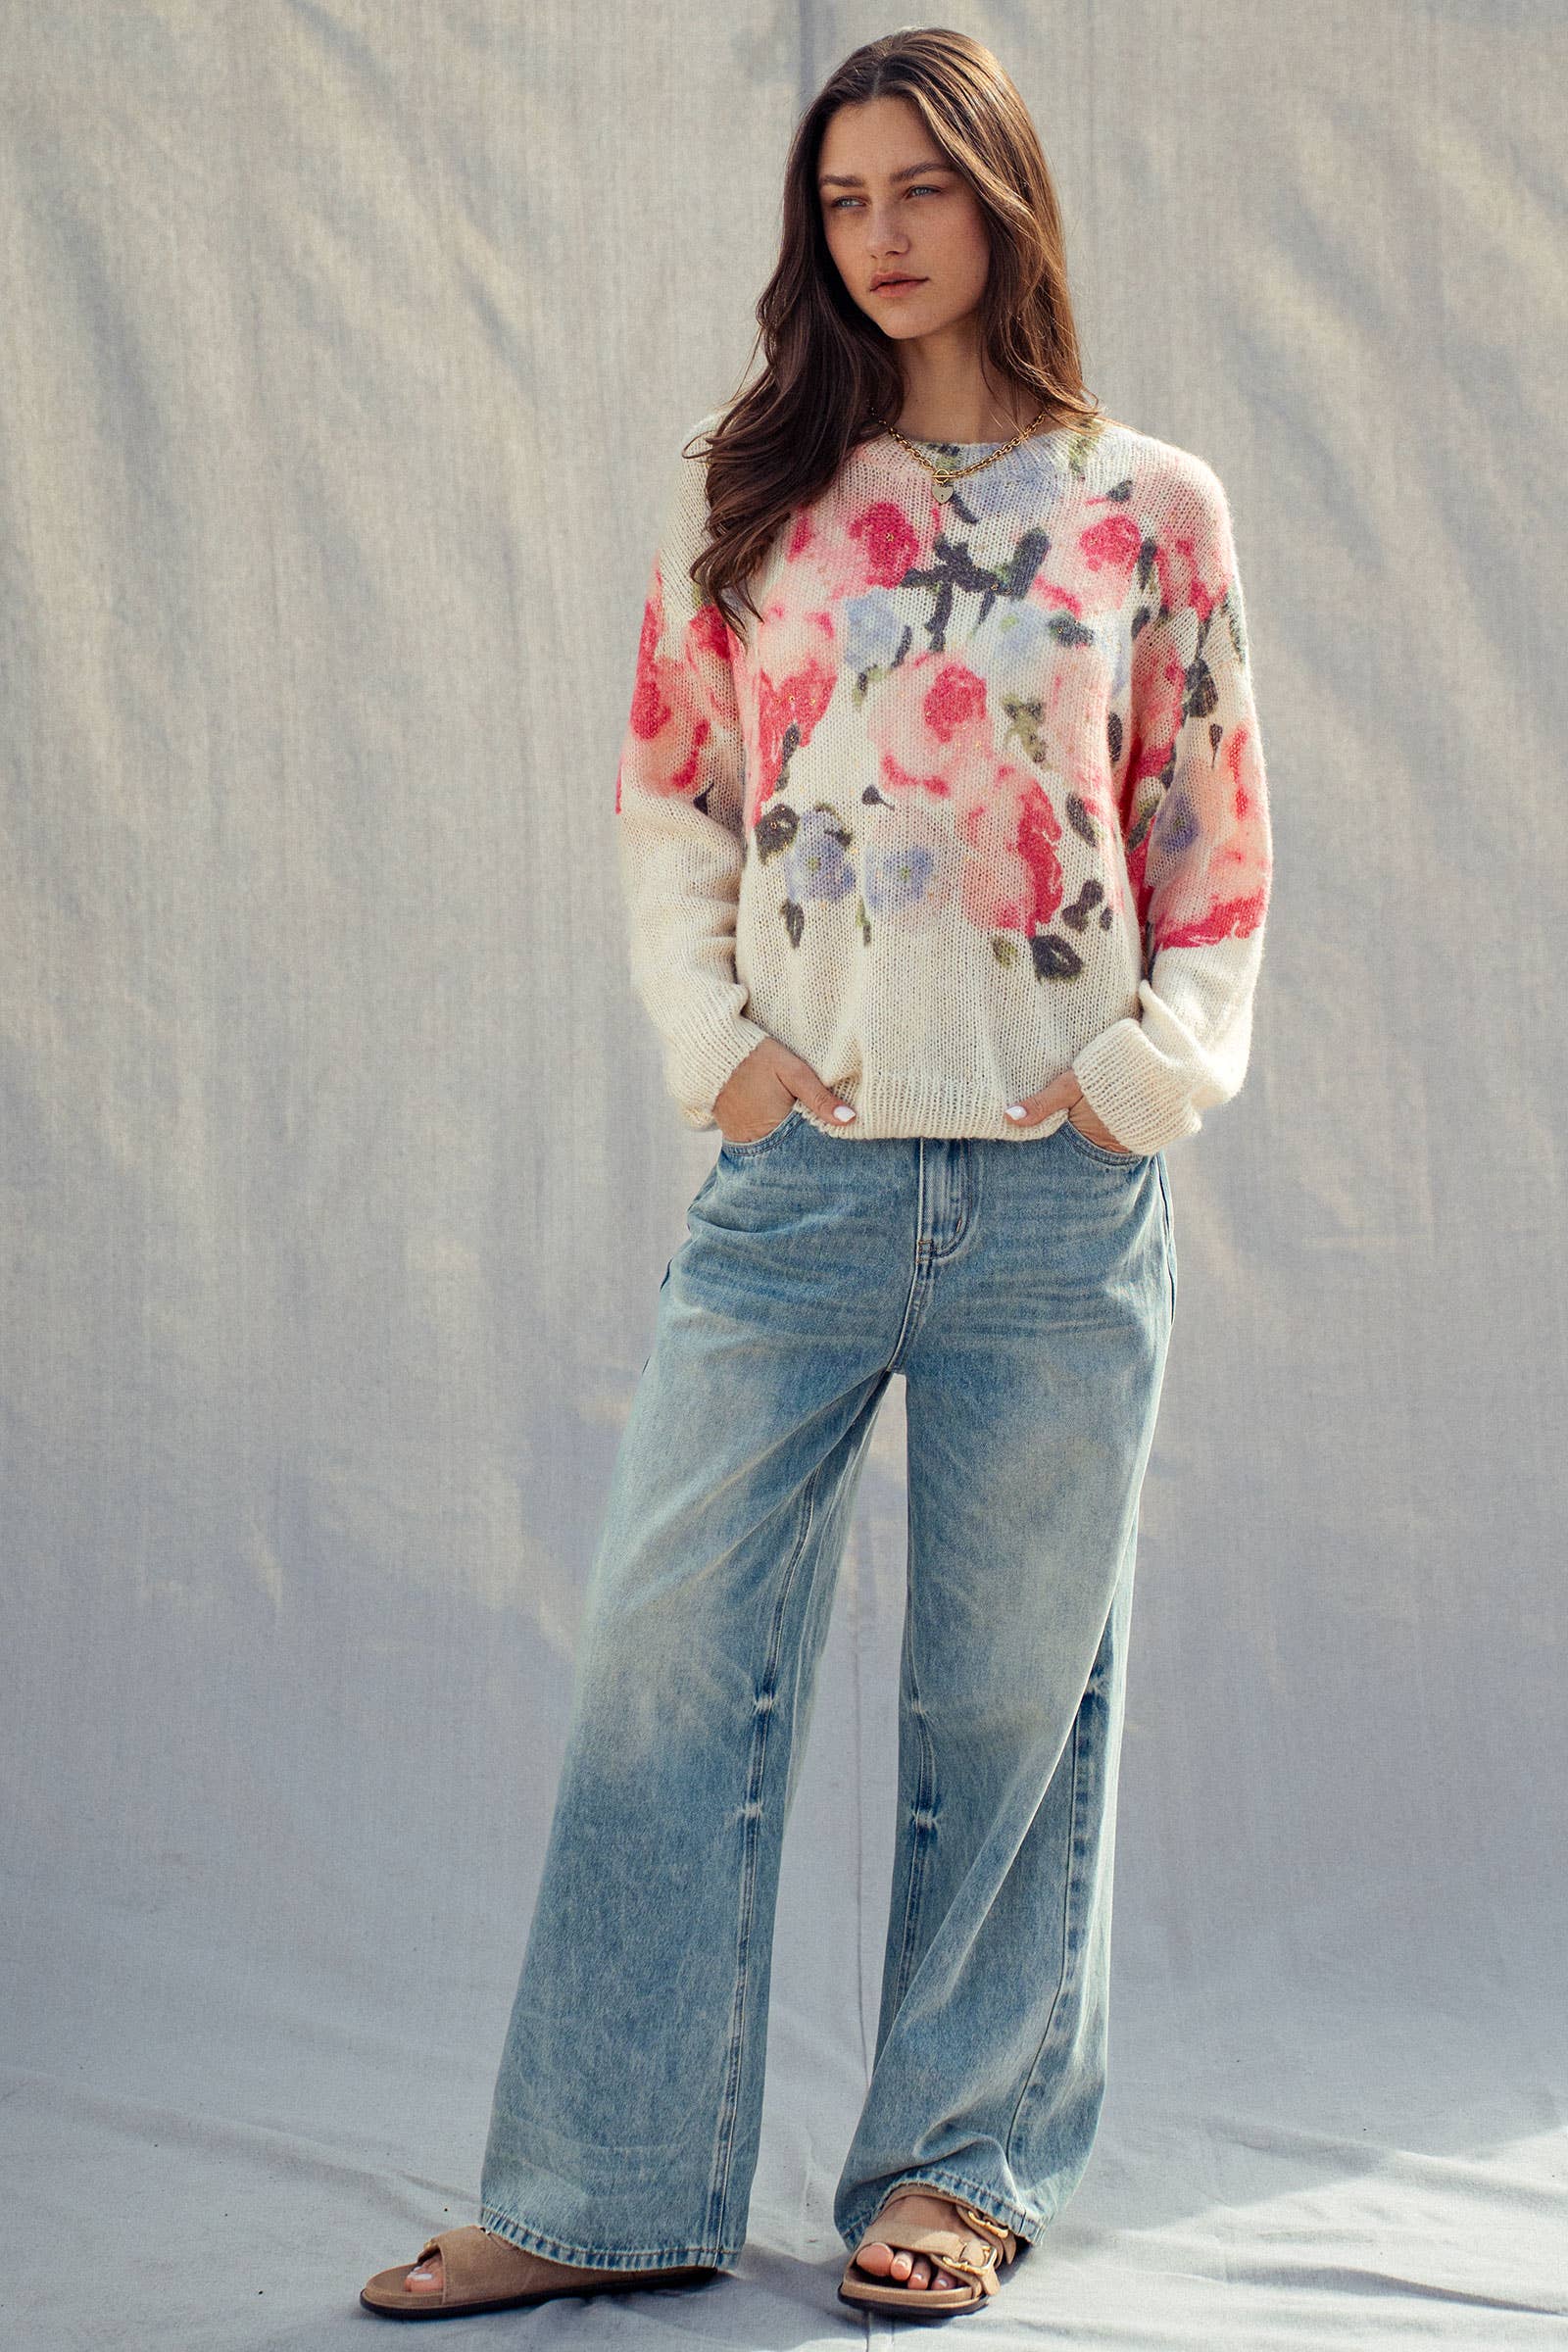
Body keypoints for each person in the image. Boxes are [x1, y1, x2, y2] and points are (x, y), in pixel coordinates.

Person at [361, 23, 1271, 2327]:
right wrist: (723, 1056)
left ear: (1001, 199)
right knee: (663, 1669)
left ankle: (954, 2169)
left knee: (1012, 1707)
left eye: (917, 189)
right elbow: (667, 800)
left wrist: (1141, 1078)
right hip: (800, 1194)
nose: (877, 236)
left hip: (1060, 1203)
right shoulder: (749, 491)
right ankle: (595, 2189)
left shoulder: (1144, 506)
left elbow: (1207, 838)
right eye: (841, 199)